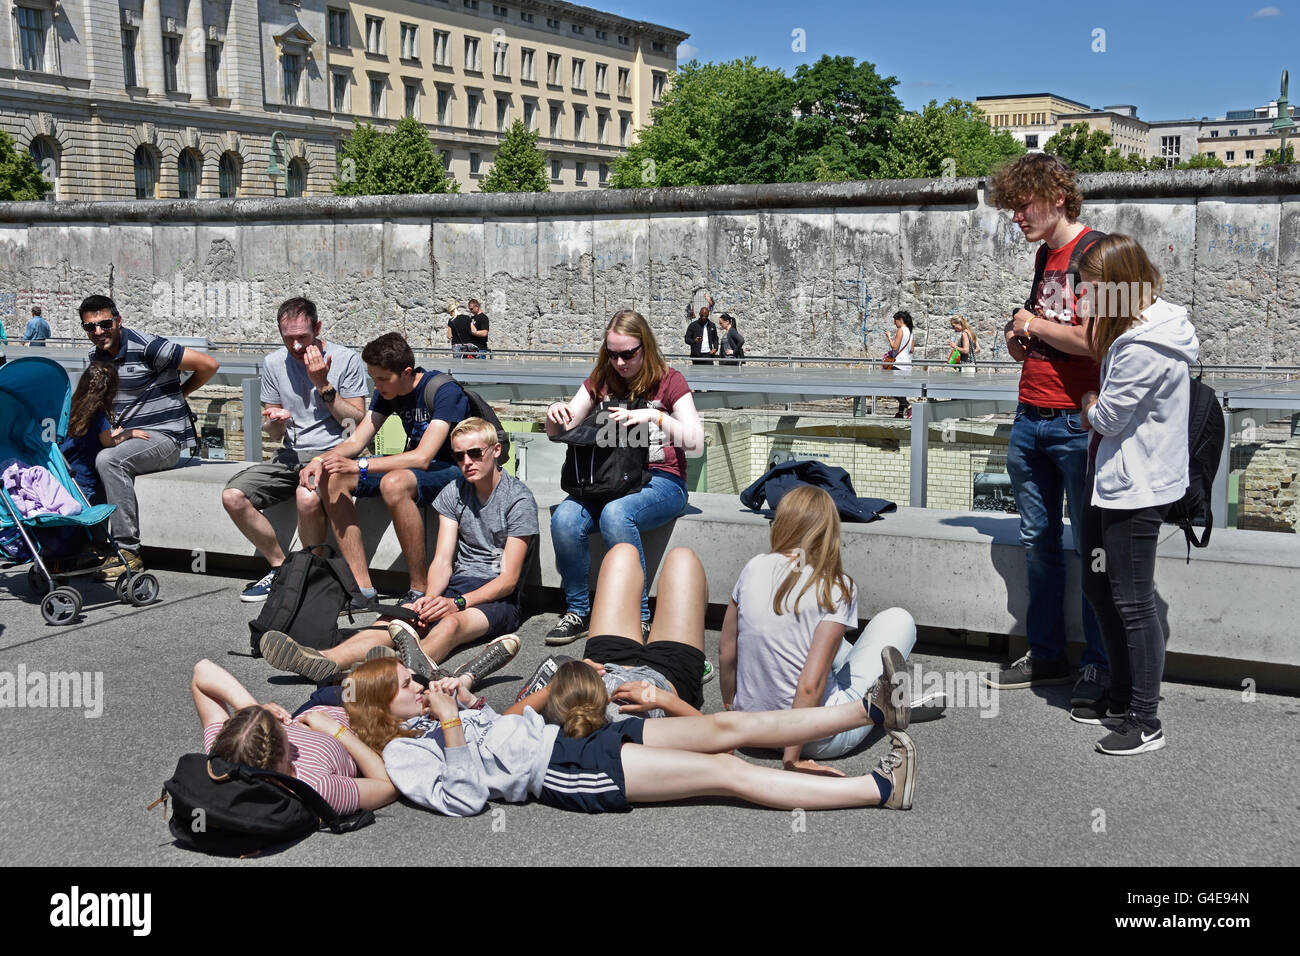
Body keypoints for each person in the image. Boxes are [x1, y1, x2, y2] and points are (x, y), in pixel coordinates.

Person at [347, 656, 916, 816]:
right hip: (565, 773)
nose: (419, 685)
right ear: (381, 708)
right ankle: (881, 789)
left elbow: (498, 733)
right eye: (405, 685)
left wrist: (469, 706)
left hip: (564, 739)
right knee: (726, 771)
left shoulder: (429, 717)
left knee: (725, 728)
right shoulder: (403, 752)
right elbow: (468, 797)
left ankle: (870, 711)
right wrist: (450, 720)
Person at [262, 418, 534, 687]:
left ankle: (383, 675)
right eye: (459, 455)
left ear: (496, 451)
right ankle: (323, 661)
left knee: (449, 626)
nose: (467, 462)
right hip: (456, 585)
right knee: (397, 619)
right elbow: (442, 560)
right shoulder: (455, 491)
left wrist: (457, 604)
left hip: (498, 599)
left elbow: (508, 580)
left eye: (475, 453)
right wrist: (429, 599)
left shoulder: (518, 499)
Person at [984, 152, 1108, 705]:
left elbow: (1096, 340)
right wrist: (1021, 339)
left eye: (1022, 204)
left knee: (1091, 545)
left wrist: (1034, 324)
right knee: (1039, 542)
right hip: (1030, 418)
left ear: (1057, 196)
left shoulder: (1096, 254)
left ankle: (1100, 668)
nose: (1015, 216)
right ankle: (1049, 655)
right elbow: (1051, 332)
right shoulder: (1044, 259)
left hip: (1076, 423)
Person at [1075, 235, 1198, 755]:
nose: (1084, 299)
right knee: (1100, 587)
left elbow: (1106, 417)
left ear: (1119, 287)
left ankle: (1146, 722)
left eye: (1091, 290)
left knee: (1132, 601)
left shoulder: (1144, 345)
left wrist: (1086, 402)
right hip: (1117, 480)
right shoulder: (1143, 325)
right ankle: (1122, 695)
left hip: (1135, 488)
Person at [720, 486, 918, 772]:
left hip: (751, 730)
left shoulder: (753, 567)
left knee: (822, 644)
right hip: (818, 737)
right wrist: (792, 758)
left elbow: (727, 649)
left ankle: (887, 695)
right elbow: (810, 684)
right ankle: (887, 699)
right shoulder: (836, 586)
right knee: (898, 619)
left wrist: (732, 714)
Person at [544, 309, 703, 644]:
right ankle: (578, 611)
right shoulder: (601, 381)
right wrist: (553, 416)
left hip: (663, 480)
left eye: (628, 354)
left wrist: (654, 417)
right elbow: (563, 427)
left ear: (644, 347)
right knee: (564, 519)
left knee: (618, 514)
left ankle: (638, 616)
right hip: (608, 480)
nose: (619, 362)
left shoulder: (670, 381)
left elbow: (696, 442)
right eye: (612, 354)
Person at [298, 332, 469, 604]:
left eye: (382, 378)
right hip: (416, 466)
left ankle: (418, 589)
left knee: (394, 483)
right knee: (333, 477)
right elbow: (355, 440)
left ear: (406, 372)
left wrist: (360, 465)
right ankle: (361, 589)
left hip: (456, 469)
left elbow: (424, 457)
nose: (376, 386)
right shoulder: (387, 391)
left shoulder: (444, 390)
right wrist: (320, 461)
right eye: (372, 377)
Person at [222, 298, 367, 602]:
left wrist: (323, 384)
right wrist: (274, 422)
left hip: (335, 451)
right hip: (290, 454)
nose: (298, 346)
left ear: (317, 328)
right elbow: (274, 434)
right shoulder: (275, 363)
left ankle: (311, 576)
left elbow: (356, 423)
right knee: (233, 496)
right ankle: (281, 568)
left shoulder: (345, 359)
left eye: (303, 337)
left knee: (306, 496)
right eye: (289, 338)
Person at [81, 294, 220, 578]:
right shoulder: (97, 357)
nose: (98, 332)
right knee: (81, 456)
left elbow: (208, 365)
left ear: (118, 321)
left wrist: (181, 394)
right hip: (130, 438)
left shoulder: (149, 347)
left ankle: (128, 552)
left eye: (104, 324)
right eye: (90, 327)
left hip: (165, 438)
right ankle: (89, 545)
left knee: (110, 461)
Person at [190, 658, 398, 813]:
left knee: (350, 680)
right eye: (279, 727)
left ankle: (341, 668)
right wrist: (336, 730)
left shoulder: (228, 754)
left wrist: (250, 708)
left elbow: (203, 670)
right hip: (368, 721)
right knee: (406, 681)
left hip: (320, 704)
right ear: (285, 753)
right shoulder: (317, 789)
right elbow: (387, 787)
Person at [60, 361, 150, 505]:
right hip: (84, 480)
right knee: (81, 521)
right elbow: (107, 442)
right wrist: (128, 433)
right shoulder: (98, 413)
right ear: (111, 390)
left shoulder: (73, 406)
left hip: (65, 475)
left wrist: (111, 434)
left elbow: (87, 437)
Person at [886, 310, 914, 419]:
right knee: (902, 389)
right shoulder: (910, 332)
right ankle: (900, 413)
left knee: (891, 388)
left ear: (900, 320)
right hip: (907, 364)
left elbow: (894, 347)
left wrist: (889, 337)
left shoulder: (901, 330)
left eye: (895, 320)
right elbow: (911, 350)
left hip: (899, 363)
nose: (894, 323)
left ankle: (908, 406)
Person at [684, 300, 718, 365]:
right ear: (699, 314)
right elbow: (687, 339)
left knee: (709, 374)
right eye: (702, 315)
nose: (704, 318)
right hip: (696, 355)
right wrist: (694, 341)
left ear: (708, 315)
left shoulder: (712, 325)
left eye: (706, 316)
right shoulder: (693, 325)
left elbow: (715, 339)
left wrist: (715, 348)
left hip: (708, 355)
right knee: (697, 374)